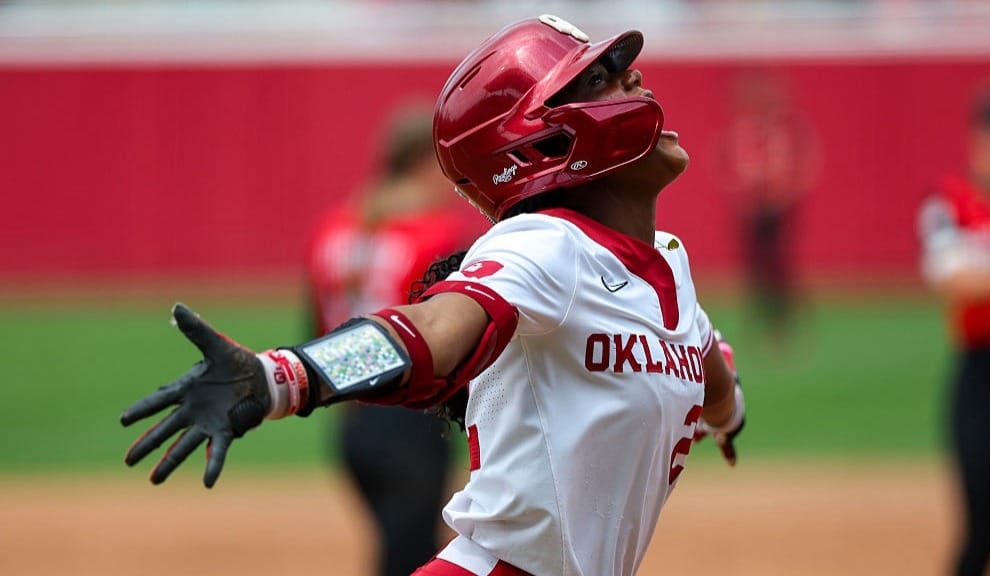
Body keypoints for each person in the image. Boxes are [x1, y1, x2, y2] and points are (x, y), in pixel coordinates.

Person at [121, 14, 747, 576]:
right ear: (546, 140)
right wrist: (286, 375)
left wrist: (728, 414)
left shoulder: (667, 264)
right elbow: (433, 331)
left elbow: (704, 361)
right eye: (601, 79)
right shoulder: (546, 244)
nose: (633, 77)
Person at [305, 107, 478, 576]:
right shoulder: (438, 234)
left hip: (353, 426)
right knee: (412, 559)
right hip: (411, 424)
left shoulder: (334, 228)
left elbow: (316, 334)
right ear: (425, 161)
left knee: (399, 549)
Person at [917, 78, 990, 576]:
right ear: (979, 139)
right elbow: (954, 279)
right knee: (984, 529)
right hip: (984, 377)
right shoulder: (950, 203)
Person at [716, 68, 817, 344]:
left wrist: (786, 193)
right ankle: (760, 321)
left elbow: (804, 164)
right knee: (755, 267)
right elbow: (728, 167)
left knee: (778, 266)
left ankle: (783, 322)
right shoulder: (745, 131)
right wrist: (741, 195)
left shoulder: (782, 130)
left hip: (776, 208)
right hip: (754, 209)